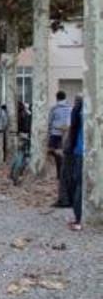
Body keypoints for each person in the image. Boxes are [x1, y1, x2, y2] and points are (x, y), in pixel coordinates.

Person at [56, 95, 82, 208]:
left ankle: (66, 200)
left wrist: (68, 146)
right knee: (76, 178)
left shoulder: (75, 111)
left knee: (67, 175)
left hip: (74, 148)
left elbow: (72, 130)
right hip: (79, 149)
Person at [47, 91, 72, 180]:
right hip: (67, 134)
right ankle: (64, 172)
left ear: (57, 98)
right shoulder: (70, 108)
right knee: (64, 153)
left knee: (53, 152)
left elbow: (49, 122)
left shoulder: (54, 109)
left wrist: (48, 132)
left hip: (55, 134)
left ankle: (59, 173)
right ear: (65, 98)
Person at [69, 98, 84, 231]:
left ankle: (79, 218)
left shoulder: (79, 109)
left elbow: (73, 129)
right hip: (82, 151)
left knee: (78, 183)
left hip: (80, 152)